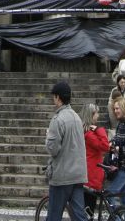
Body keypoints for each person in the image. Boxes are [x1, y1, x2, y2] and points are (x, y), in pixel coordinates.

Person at [43, 81, 87, 221]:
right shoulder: (77, 117)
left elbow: (53, 149)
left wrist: (47, 137)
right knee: (79, 216)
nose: (53, 99)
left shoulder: (58, 119)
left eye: (54, 96)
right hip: (78, 174)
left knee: (54, 216)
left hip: (62, 176)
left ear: (58, 98)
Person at [81, 103, 109, 207]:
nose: (98, 115)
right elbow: (105, 146)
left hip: (89, 173)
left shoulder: (86, 132)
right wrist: (99, 130)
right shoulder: (90, 134)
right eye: (96, 113)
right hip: (92, 175)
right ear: (91, 115)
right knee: (89, 207)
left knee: (88, 207)